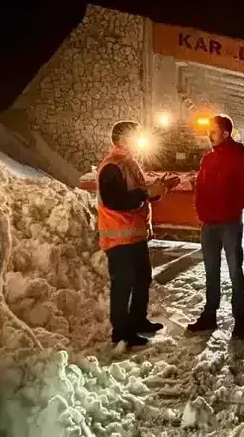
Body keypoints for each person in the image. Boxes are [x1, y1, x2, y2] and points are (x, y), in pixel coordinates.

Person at [97, 120, 167, 349]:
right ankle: (122, 332)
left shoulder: (129, 164)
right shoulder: (112, 166)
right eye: (135, 135)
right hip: (119, 240)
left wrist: (155, 192)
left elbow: (138, 195)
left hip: (135, 237)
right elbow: (114, 200)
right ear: (123, 138)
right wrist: (145, 193)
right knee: (123, 286)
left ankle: (138, 320)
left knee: (141, 280)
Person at [188, 115, 244, 340]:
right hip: (208, 225)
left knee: (235, 271)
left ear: (226, 133)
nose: (209, 135)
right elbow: (200, 187)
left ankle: (239, 319)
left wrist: (229, 209)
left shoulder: (241, 159)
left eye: (213, 131)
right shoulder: (207, 159)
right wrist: (202, 211)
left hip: (229, 225)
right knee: (211, 272)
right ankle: (210, 315)